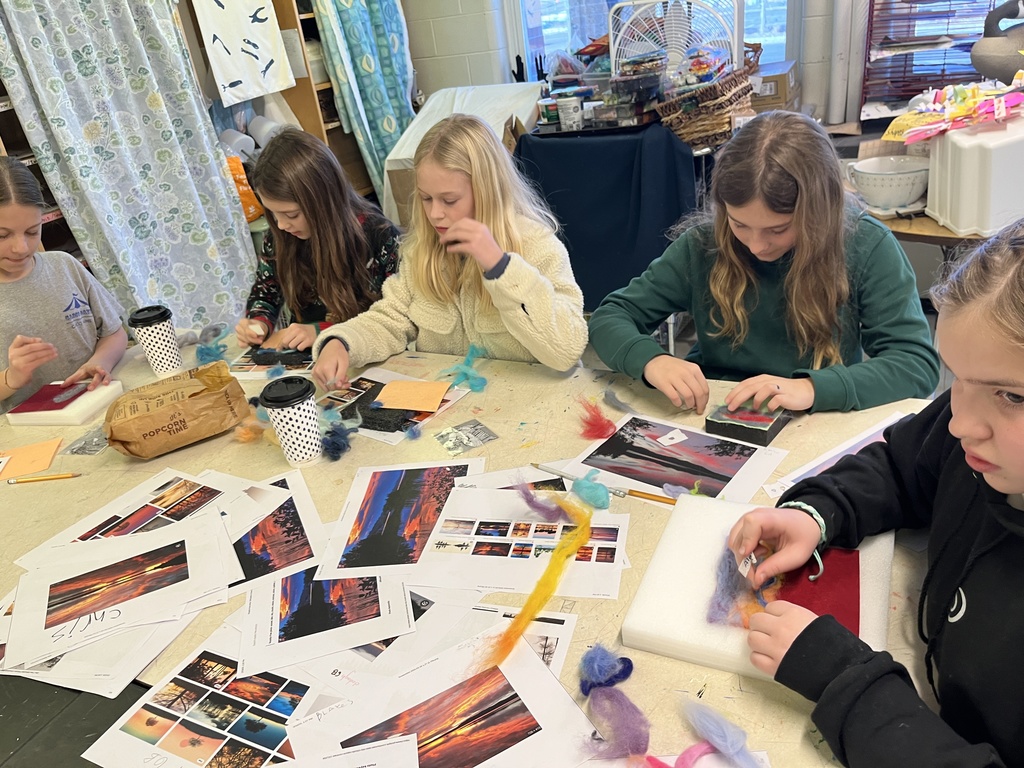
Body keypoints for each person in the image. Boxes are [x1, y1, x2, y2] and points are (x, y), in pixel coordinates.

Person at [728, 216, 1024, 766]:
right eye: (955, 377)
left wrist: (850, 682)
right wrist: (816, 512)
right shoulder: (976, 436)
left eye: (1012, 396)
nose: (961, 424)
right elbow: (902, 464)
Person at [587, 111, 939, 414]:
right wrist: (651, 360)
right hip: (711, 409)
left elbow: (915, 366)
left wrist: (813, 388)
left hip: (814, 415)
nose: (756, 245)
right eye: (739, 224)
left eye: (778, 229)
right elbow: (610, 317)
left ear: (819, 212)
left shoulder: (866, 245)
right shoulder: (703, 245)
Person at [311, 114, 587, 389]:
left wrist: (501, 267)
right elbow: (391, 318)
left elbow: (566, 351)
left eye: (449, 200)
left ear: (488, 191)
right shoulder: (423, 251)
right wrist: (341, 342)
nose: (435, 214)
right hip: (459, 413)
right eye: (426, 198)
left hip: (534, 410)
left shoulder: (537, 244)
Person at [235, 127, 400, 351]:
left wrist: (323, 331)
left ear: (324, 201)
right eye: (273, 213)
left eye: (292, 215)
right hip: (307, 357)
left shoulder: (378, 235)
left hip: (363, 353)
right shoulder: (281, 234)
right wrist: (258, 322)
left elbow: (391, 318)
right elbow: (267, 289)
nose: (282, 225)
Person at [0, 156, 127, 414]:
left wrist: (99, 361)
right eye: (2, 235)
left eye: (33, 232)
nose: (20, 248)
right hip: (33, 436)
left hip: (101, 406)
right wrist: (11, 378)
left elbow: (114, 331)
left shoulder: (64, 266)